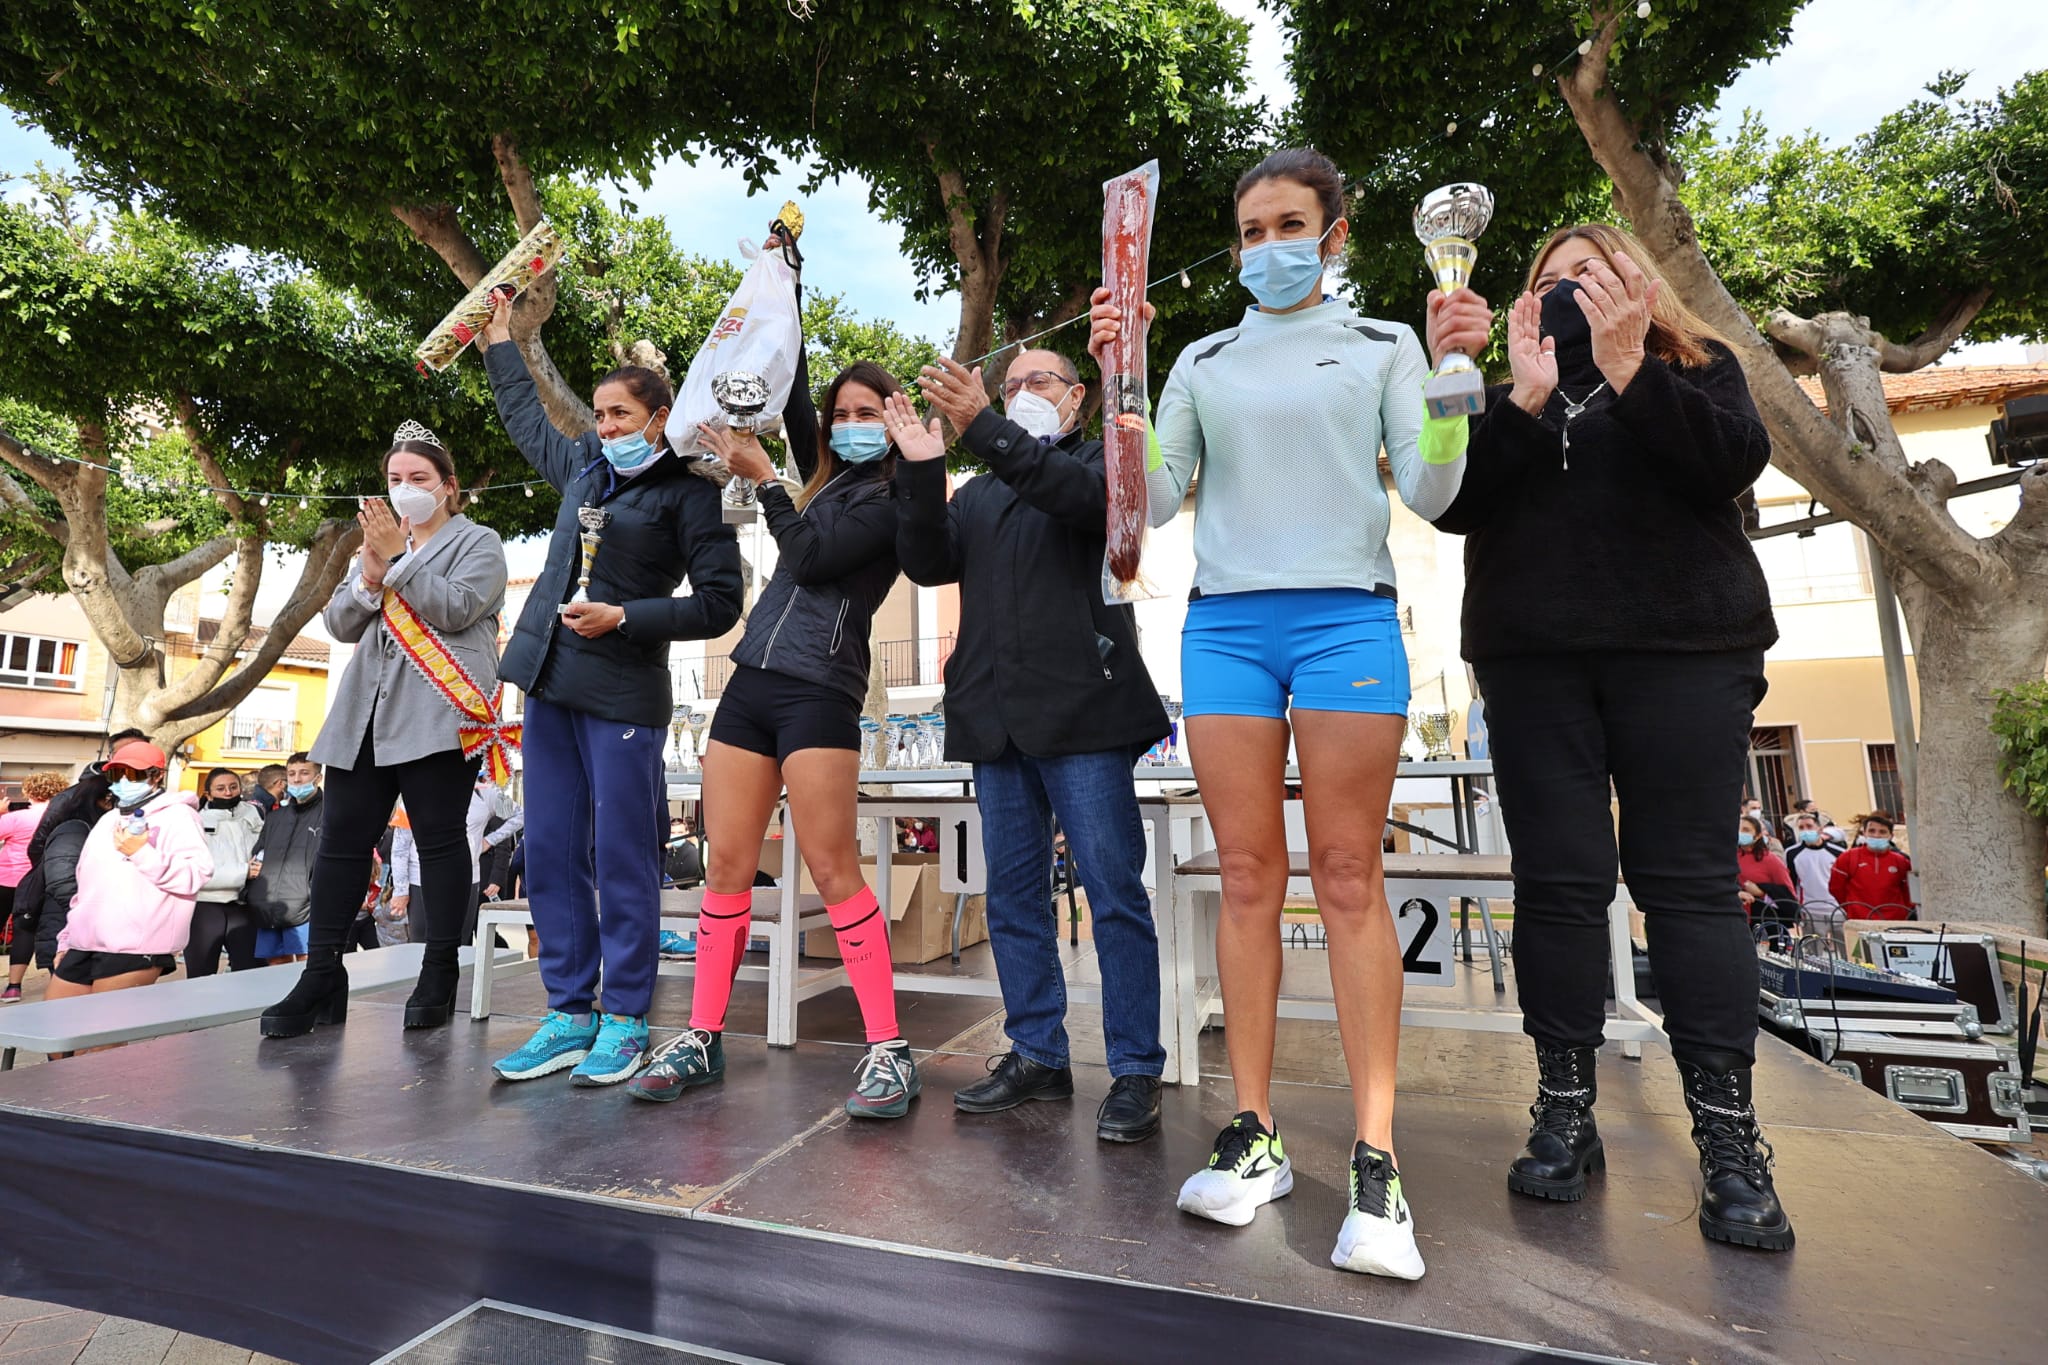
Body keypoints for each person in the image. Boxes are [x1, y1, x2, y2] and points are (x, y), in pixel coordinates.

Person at [1088, 147, 1477, 1278]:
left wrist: (1454, 379)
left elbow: (1434, 491)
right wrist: (1123, 378)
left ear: (1336, 233)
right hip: (1221, 630)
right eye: (1249, 230)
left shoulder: (1387, 343)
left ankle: (1374, 1156)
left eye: (1287, 225)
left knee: (1350, 875)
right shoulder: (1202, 356)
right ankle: (1253, 1134)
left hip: (1346, 623)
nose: (1265, 247)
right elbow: (1150, 499)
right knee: (1247, 875)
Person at [1429, 220, 1793, 1251]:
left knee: (1683, 884)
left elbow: (1729, 463)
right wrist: (1516, 393)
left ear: (1638, 285)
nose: (1570, 291)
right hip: (1531, 660)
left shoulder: (1696, 365)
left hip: (1684, 652)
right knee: (1557, 882)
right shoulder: (1497, 393)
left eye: (1590, 274)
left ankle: (1727, 1138)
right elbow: (1449, 499)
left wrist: (1632, 366)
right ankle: (1562, 1106)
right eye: (1549, 279)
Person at [898, 343, 1174, 1141]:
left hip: (1084, 714)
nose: (1019, 393)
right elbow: (926, 560)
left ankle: (1133, 1067)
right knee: (1014, 898)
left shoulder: (1101, 463)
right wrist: (921, 469)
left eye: (1037, 383)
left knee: (1112, 891)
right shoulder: (979, 493)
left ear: (1078, 397)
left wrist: (982, 424)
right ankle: (1037, 1052)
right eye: (1010, 383)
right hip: (996, 719)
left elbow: (1077, 501)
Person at [628, 358, 916, 1119]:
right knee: (726, 864)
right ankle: (702, 1034)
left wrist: (762, 479)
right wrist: (782, 282)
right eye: (841, 412)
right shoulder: (817, 481)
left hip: (822, 690)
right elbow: (790, 385)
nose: (851, 424)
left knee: (831, 865)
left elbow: (811, 556)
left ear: (893, 420)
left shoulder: (897, 496)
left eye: (868, 411)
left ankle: (887, 1045)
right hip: (750, 682)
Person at [478, 289, 744, 1087]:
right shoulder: (582, 470)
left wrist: (626, 615)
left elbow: (721, 603)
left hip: (623, 692)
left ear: (659, 417)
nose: (607, 426)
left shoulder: (690, 493)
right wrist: (500, 341)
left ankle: (626, 1016)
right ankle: (568, 1011)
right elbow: (527, 420)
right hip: (548, 683)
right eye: (599, 413)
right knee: (552, 850)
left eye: (622, 413)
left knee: (622, 853)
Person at [260, 425, 508, 1036]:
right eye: (395, 480)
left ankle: (440, 966)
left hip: (436, 714)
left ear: (449, 487)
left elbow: (455, 609)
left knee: (440, 840)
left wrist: (397, 560)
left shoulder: (479, 543)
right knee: (342, 843)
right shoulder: (369, 548)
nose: (405, 490)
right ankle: (322, 972)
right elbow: (341, 623)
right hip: (363, 715)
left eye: (419, 479)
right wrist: (370, 575)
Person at [46, 740, 210, 1010]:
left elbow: (196, 874)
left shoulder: (180, 816)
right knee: (53, 1032)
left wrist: (141, 853)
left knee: (101, 1040)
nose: (123, 781)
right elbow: (87, 886)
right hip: (85, 941)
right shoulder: (108, 820)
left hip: (137, 945)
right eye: (115, 774)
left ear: (157, 775)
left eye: (133, 773)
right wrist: (67, 937)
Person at [244, 753, 325, 967]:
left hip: (306, 905)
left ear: (318, 777)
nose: (297, 779)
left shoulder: (328, 814)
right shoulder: (275, 817)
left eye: (304, 773)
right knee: (276, 966)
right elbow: (258, 852)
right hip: (270, 904)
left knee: (307, 965)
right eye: (292, 774)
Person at [186, 767, 265, 977]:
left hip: (245, 905)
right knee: (200, 974)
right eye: (220, 788)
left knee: (251, 973)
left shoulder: (253, 814)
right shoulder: (195, 821)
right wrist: (243, 872)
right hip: (206, 906)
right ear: (208, 794)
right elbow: (195, 872)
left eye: (233, 787)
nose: (228, 793)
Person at [0, 770, 65, 1002]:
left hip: (6, 879)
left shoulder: (15, 818)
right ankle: (16, 986)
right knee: (27, 929)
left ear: (28, 791)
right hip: (42, 881)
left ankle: (13, 987)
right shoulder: (62, 817)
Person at [1828, 814, 1914, 919]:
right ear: (1864, 833)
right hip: (1860, 920)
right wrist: (1852, 908)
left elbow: (1910, 892)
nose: (1876, 835)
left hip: (1894, 921)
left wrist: (1902, 911)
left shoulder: (1901, 862)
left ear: (1891, 836)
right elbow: (1836, 888)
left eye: (1882, 832)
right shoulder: (1848, 858)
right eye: (1872, 831)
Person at [1736, 816, 1798, 935]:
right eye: (1738, 829)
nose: (1740, 833)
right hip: (1737, 917)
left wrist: (1762, 891)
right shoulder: (1730, 858)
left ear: (1758, 835)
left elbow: (1787, 893)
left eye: (1746, 830)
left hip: (1766, 920)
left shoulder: (1770, 860)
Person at [1783, 812, 1845, 922]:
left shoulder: (1838, 852)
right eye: (1801, 827)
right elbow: (1791, 882)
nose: (1805, 830)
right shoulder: (1791, 853)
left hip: (1837, 908)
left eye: (1809, 826)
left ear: (1820, 829)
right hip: (1809, 910)